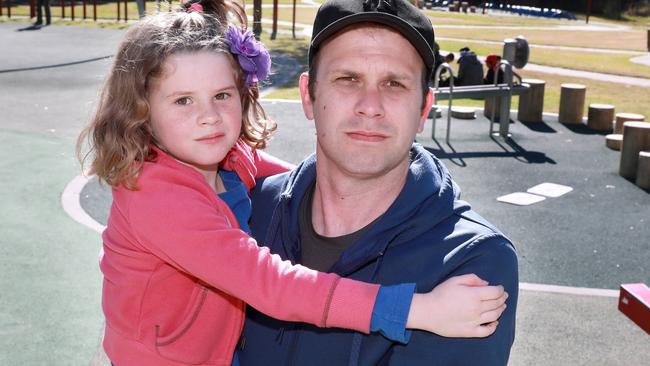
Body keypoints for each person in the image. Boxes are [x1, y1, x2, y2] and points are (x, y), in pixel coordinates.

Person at [76, 0, 509, 365]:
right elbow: (273, 284)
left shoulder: (474, 258)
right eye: (183, 100)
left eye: (222, 96)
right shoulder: (162, 198)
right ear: (142, 112)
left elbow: (262, 165)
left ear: (424, 107)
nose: (208, 116)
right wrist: (418, 309)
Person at [239, 0, 519, 365]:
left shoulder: (470, 261)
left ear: (423, 108)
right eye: (348, 78)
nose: (370, 105)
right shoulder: (246, 213)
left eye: (394, 83)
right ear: (308, 95)